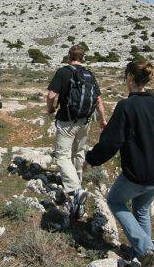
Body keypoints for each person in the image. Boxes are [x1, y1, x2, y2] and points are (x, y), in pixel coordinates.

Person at [84, 61, 154, 266]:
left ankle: (146, 248)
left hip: (138, 174)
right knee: (142, 209)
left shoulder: (126, 106)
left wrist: (91, 159)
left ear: (130, 79)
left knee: (115, 201)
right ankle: (140, 255)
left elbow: (110, 143)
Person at [47, 44, 106, 219]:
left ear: (69, 56)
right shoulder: (89, 74)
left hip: (66, 120)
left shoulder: (63, 72)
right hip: (84, 121)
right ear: (83, 57)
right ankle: (78, 182)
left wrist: (50, 109)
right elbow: (98, 99)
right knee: (79, 152)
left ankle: (75, 189)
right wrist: (103, 120)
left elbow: (51, 95)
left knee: (62, 156)